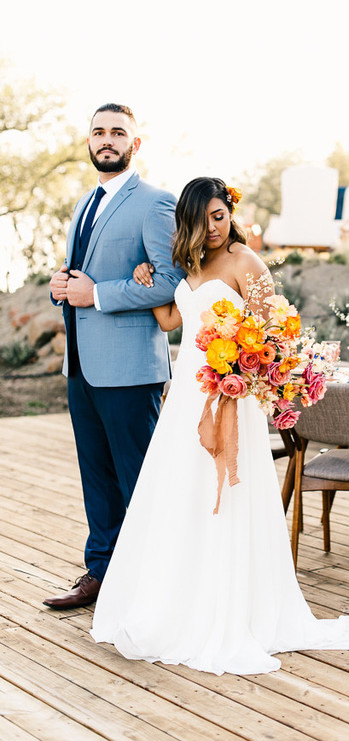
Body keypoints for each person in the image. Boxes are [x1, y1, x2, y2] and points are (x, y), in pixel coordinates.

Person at [90, 176, 349, 675]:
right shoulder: (189, 267)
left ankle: (228, 608)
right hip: (186, 400)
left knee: (225, 499)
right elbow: (171, 320)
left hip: (228, 398)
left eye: (220, 215)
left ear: (231, 213)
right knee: (180, 496)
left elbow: (273, 338)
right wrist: (147, 280)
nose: (214, 226)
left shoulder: (246, 263)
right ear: (187, 221)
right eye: (204, 218)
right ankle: (177, 602)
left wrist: (236, 371)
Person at [45, 103, 185, 610]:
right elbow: (79, 275)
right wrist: (62, 287)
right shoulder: (84, 203)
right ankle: (101, 573)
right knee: (97, 479)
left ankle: (155, 584)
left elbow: (172, 282)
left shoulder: (155, 203)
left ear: (135, 144)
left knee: (140, 481)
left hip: (130, 369)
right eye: (99, 132)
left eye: (118, 132)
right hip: (81, 366)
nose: (107, 140)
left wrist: (97, 294)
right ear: (88, 141)